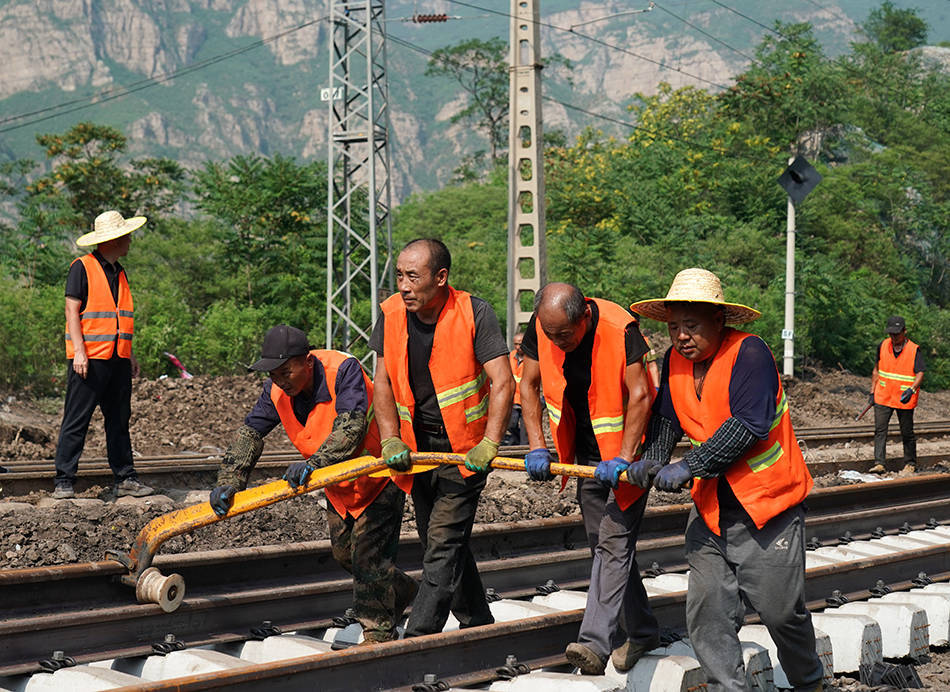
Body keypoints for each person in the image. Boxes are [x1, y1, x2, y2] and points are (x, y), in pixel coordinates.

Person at [627, 268, 822, 692]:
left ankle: (809, 682)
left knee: (781, 613)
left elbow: (749, 424)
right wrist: (655, 458)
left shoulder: (750, 354)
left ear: (719, 321)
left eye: (691, 326)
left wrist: (688, 467)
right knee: (708, 610)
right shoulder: (675, 361)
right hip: (712, 510)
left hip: (768, 506)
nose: (680, 336)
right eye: (674, 327)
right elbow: (667, 418)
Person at [209, 324, 416, 643]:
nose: (279, 381)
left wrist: (312, 464)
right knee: (344, 555)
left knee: (367, 558)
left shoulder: (343, 370)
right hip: (339, 482)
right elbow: (251, 433)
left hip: (379, 471)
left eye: (285, 372)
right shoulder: (276, 389)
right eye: (273, 375)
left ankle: (378, 637)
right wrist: (229, 481)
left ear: (306, 361)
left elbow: (351, 429)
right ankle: (402, 591)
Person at [369, 238, 513, 636]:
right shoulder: (391, 314)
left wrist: (490, 443)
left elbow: (503, 382)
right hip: (417, 449)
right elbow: (381, 382)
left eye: (413, 276)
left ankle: (419, 636)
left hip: (466, 450)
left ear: (441, 277)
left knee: (443, 542)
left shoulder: (473, 313)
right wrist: (390, 438)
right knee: (441, 537)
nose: (403, 285)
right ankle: (477, 621)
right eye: (399, 275)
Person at [519, 282, 658, 675]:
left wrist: (626, 458)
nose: (557, 341)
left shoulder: (620, 328)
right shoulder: (543, 326)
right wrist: (536, 445)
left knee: (613, 542)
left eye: (564, 334)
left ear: (585, 317)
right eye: (550, 334)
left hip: (629, 452)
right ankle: (644, 630)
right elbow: (527, 385)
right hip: (586, 455)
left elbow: (641, 395)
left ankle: (594, 644)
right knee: (603, 545)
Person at [53, 211, 154, 500]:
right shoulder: (81, 267)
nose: (130, 240)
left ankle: (126, 478)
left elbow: (119, 316)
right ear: (113, 240)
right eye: (127, 236)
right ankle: (64, 480)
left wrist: (130, 353)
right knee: (76, 420)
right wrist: (80, 353)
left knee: (119, 421)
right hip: (90, 359)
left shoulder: (120, 271)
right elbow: (71, 312)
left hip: (118, 359)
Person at [871, 315, 925, 472]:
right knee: (880, 431)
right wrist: (872, 392)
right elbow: (876, 370)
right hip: (883, 395)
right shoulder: (882, 346)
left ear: (904, 331)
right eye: (891, 334)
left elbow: (920, 372)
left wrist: (912, 389)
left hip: (904, 398)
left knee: (907, 432)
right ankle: (879, 463)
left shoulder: (914, 349)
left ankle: (910, 464)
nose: (894, 337)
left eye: (897, 333)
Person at [503, 331, 528, 445]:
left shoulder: (531, 358)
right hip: (513, 399)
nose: (518, 347)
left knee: (525, 432)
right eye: (516, 344)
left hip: (527, 400)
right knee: (510, 424)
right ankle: (515, 441)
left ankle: (522, 450)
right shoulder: (511, 356)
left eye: (521, 344)